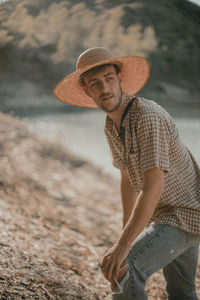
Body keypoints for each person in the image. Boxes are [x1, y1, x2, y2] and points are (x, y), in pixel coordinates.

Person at [54, 47, 200, 299]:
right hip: (167, 213)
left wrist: (124, 247)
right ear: (87, 90)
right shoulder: (112, 124)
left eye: (109, 79)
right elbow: (127, 178)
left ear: (119, 79)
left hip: (184, 214)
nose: (104, 89)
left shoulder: (147, 116)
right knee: (181, 292)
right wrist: (126, 236)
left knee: (124, 270)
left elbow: (152, 184)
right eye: (95, 83)